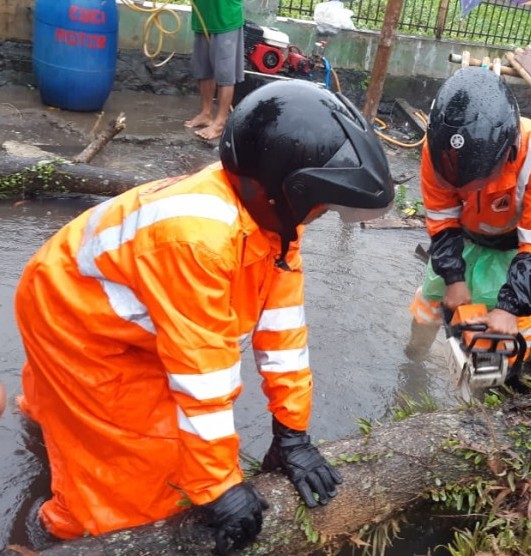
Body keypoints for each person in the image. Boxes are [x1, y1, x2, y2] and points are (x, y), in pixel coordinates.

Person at [15, 80, 394, 553]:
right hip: (73, 314)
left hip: (110, 293)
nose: (320, 216)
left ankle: (50, 416)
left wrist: (292, 431)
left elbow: (283, 335)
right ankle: (57, 534)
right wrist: (219, 487)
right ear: (283, 187)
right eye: (321, 205)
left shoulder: (273, 227)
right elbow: (203, 377)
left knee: (123, 427)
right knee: (130, 487)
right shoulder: (199, 241)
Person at [407, 67, 531, 369]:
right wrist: (453, 278)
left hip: (512, 248)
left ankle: (497, 389)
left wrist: (510, 306)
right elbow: (441, 219)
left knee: (507, 330)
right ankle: (414, 357)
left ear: (507, 149)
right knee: (431, 300)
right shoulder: (438, 148)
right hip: (461, 237)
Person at [184, 0, 245, 141]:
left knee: (225, 74)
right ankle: (206, 113)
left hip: (225, 18)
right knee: (204, 70)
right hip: (203, 18)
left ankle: (220, 122)